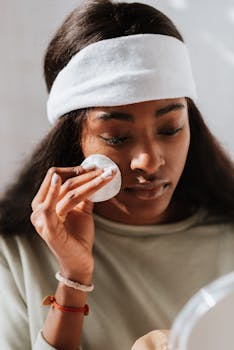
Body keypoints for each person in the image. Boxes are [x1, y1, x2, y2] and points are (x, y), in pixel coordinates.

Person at [0, 0, 233, 349]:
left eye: (170, 129)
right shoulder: (17, 254)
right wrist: (74, 280)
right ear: (74, 140)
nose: (149, 162)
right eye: (116, 138)